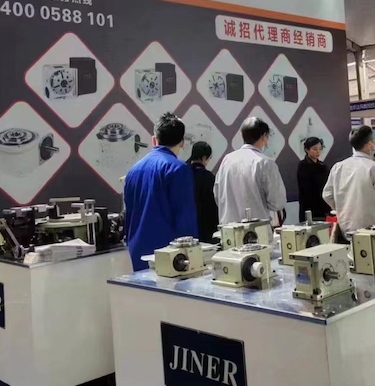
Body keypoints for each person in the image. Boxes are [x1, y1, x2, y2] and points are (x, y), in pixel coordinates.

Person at [123, 113, 198, 270]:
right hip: (171, 257)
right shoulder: (178, 169)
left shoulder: (133, 171)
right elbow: (185, 220)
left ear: (154, 139)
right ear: (182, 142)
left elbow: (128, 216)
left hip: (138, 253)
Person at [323, 125, 375, 243]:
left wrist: (343, 207)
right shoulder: (374, 168)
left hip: (344, 228)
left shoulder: (338, 167)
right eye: (374, 140)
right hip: (370, 230)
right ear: (370, 144)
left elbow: (327, 195)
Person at [214, 117, 287, 225]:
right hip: (257, 229)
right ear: (264, 136)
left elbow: (217, 195)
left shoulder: (227, 160)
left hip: (228, 228)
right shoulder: (265, 163)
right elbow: (277, 202)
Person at [187, 141, 219, 243]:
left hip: (187, 225)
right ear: (204, 158)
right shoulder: (208, 177)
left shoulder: (184, 173)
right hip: (206, 227)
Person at [296, 137, 331, 222]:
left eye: (320, 149)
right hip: (309, 207)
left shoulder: (323, 166)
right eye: (315, 149)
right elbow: (305, 190)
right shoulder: (303, 166)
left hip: (324, 207)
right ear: (307, 150)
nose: (318, 152)